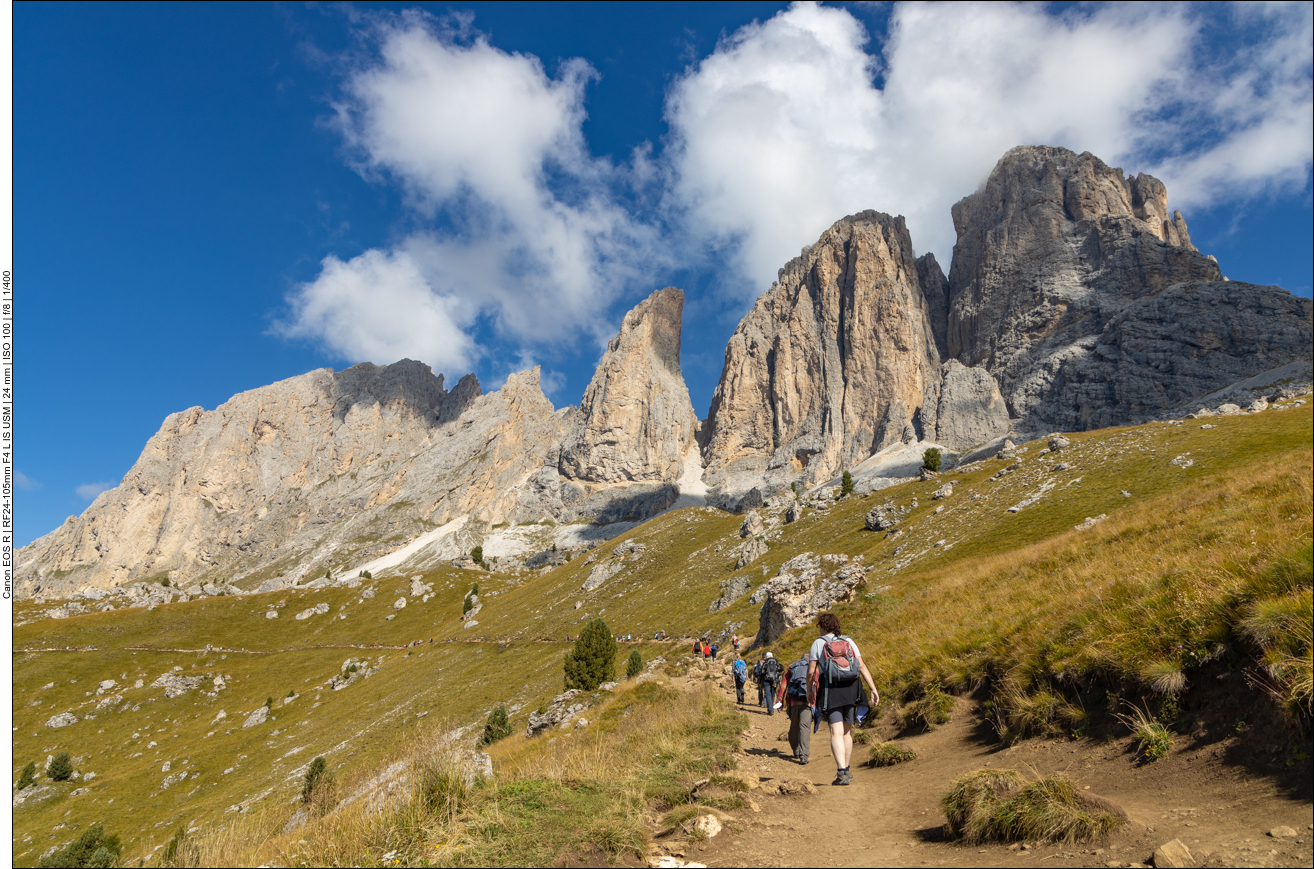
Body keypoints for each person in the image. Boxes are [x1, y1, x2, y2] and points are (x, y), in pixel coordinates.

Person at [807, 612, 878, 786]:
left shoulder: (819, 643)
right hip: (852, 689)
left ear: (822, 627)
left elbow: (810, 672)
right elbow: (861, 665)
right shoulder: (849, 641)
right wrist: (873, 688)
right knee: (847, 731)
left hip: (831, 689)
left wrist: (810, 691)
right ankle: (847, 769)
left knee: (836, 731)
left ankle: (841, 772)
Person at [777, 652, 812, 764]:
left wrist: (780, 700)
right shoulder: (813, 667)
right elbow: (817, 683)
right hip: (807, 702)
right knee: (804, 727)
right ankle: (803, 755)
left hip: (793, 701)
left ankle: (796, 750)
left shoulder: (792, 666)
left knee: (794, 726)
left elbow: (783, 684)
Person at [760, 652, 783, 716]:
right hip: (775, 680)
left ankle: (770, 710)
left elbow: (762, 672)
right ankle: (770, 708)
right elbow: (780, 669)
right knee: (772, 694)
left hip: (766, 680)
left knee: (768, 694)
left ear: (767, 656)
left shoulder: (766, 662)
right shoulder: (776, 662)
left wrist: (760, 681)